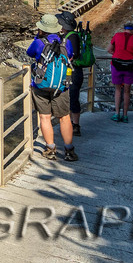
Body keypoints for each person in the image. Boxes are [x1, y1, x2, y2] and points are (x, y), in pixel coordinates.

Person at [26, 13, 78, 162]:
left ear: (42, 28)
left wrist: (37, 38)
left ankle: (50, 149)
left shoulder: (38, 42)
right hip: (61, 85)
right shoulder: (66, 42)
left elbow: (30, 53)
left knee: (45, 117)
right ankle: (69, 151)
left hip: (41, 85)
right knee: (64, 117)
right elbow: (70, 56)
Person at [56, 12, 92, 136]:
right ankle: (71, 124)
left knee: (72, 99)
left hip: (73, 72)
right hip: (73, 71)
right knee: (70, 98)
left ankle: (75, 125)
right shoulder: (70, 35)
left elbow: (74, 54)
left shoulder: (71, 37)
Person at [109, 22, 133, 122]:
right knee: (127, 91)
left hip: (116, 66)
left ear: (124, 29)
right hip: (130, 67)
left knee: (117, 90)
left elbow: (109, 50)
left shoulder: (116, 36)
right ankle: (125, 115)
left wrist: (117, 54)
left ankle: (116, 114)